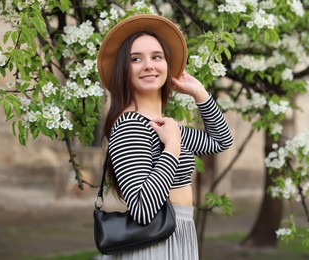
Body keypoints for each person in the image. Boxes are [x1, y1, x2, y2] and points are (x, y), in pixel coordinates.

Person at [97, 14, 233, 260]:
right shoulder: (130, 126)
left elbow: (221, 140)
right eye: (136, 59)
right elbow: (142, 209)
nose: (148, 65)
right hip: (154, 245)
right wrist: (171, 147)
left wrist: (200, 94)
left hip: (178, 234)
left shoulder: (164, 126)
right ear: (123, 70)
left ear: (167, 65)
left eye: (156, 57)